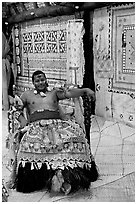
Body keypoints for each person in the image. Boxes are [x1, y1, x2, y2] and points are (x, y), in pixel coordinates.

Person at [8, 70, 99, 195]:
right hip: (36, 127)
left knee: (76, 136)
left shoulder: (54, 92)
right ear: (33, 83)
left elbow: (69, 93)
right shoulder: (26, 95)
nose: (40, 82)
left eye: (42, 79)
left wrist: (85, 90)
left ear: (46, 80)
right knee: (31, 142)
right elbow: (15, 109)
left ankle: (68, 175)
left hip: (57, 126)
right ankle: (43, 178)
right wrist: (23, 121)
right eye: (37, 80)